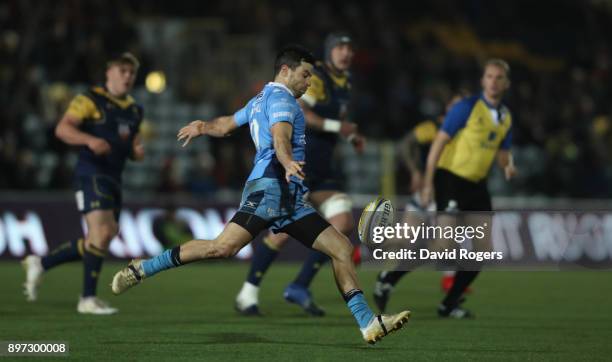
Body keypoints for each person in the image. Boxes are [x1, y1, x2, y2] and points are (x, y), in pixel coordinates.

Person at [110, 45, 409, 344]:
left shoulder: (260, 99)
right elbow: (280, 136)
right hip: (270, 189)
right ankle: (142, 268)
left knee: (341, 249)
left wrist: (202, 126)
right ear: (285, 71)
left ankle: (368, 323)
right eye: (305, 75)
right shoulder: (282, 100)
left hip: (288, 198)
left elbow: (227, 124)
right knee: (221, 248)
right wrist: (288, 161)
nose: (309, 83)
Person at [373, 59, 517, 318]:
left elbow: (503, 152)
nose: (493, 82)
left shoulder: (505, 117)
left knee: (482, 251)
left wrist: (508, 166)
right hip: (450, 178)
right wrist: (428, 181)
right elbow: (439, 144)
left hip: (477, 185)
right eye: (489, 76)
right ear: (483, 81)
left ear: (506, 83)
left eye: (499, 78)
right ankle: (389, 278)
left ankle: (448, 304)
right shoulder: (466, 107)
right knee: (443, 245)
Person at [235, 33, 365, 317]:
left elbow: (332, 123)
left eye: (349, 48)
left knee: (342, 223)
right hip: (298, 166)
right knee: (280, 234)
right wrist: (336, 127)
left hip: (323, 167)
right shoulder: (316, 79)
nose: (345, 53)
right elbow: (306, 114)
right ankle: (248, 292)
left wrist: (349, 135)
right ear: (329, 52)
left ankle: (300, 285)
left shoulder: (346, 83)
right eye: (340, 48)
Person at [22, 52, 144, 315]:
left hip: (114, 177)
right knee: (100, 234)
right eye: (122, 71)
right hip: (91, 173)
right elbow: (63, 129)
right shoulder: (90, 99)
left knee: (103, 237)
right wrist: (89, 140)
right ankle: (87, 299)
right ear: (109, 72)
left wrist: (137, 150)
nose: (127, 76)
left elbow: (132, 143)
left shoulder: (135, 109)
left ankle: (41, 263)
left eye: (131, 73)